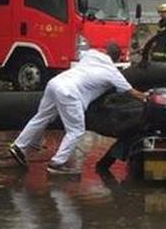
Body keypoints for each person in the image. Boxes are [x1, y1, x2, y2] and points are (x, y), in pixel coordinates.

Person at [9, 43, 146, 174]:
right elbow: (131, 92)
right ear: (116, 59)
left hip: (55, 83)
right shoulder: (112, 72)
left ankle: (19, 146)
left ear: (105, 52)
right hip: (70, 92)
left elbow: (81, 53)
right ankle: (57, 163)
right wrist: (147, 98)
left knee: (41, 117)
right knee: (76, 130)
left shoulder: (91, 55)